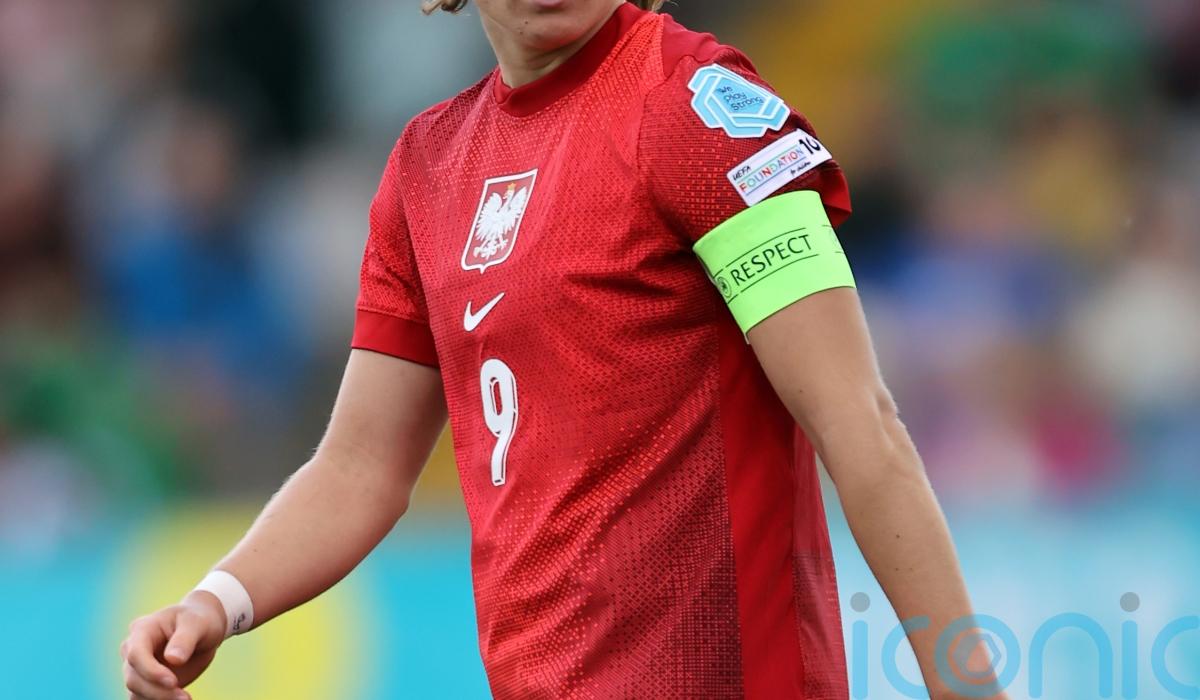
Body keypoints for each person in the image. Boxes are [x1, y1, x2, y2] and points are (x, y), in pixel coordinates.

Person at [120, 1, 1006, 698]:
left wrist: (966, 687)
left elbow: (861, 426)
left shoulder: (699, 109)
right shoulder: (426, 168)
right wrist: (217, 601)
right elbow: (358, 468)